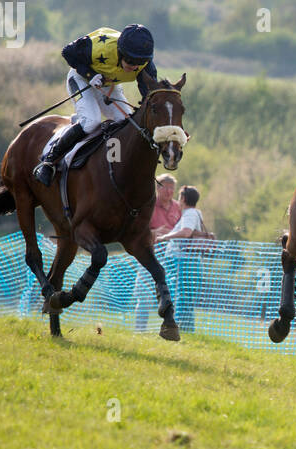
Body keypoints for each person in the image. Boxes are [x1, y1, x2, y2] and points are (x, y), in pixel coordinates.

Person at [34, 24, 159, 186]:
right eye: (130, 60)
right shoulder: (100, 46)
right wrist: (90, 74)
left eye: (139, 62)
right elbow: (67, 52)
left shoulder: (145, 63)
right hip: (81, 79)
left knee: (126, 123)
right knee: (91, 122)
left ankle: (117, 164)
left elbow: (148, 96)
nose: (134, 66)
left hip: (108, 86)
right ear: (120, 51)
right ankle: (48, 161)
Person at [157, 186, 216, 332]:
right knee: (185, 295)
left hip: (182, 261)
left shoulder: (189, 213)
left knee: (182, 296)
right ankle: (185, 328)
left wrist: (164, 237)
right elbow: (192, 231)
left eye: (179, 196)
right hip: (188, 261)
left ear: (183, 198)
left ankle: (182, 329)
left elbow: (186, 232)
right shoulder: (195, 213)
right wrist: (205, 235)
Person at [134, 175, 184, 331]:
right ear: (157, 188)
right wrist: (156, 232)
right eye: (165, 187)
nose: (169, 191)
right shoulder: (149, 205)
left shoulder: (178, 207)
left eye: (171, 188)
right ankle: (140, 331)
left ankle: (169, 328)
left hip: (173, 259)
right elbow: (137, 231)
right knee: (145, 297)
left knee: (173, 296)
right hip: (149, 257)